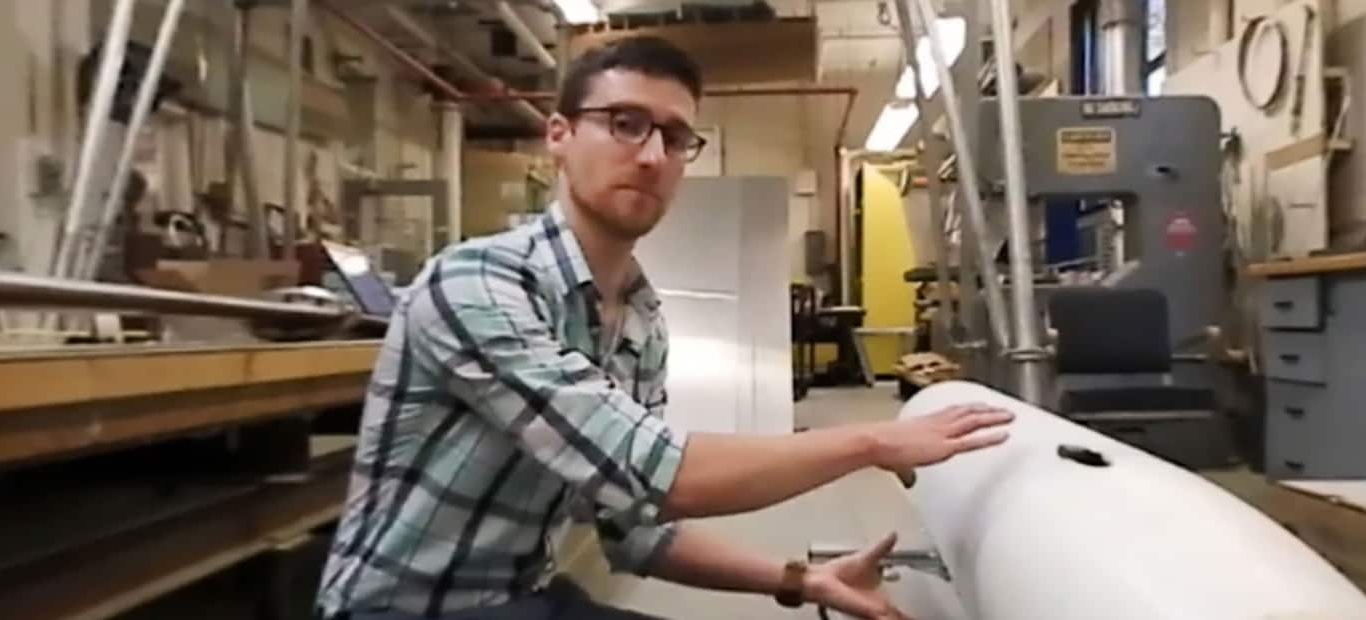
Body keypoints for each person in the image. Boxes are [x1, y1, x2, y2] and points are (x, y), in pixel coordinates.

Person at [316, 36, 1013, 620]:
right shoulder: (477, 284)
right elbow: (657, 475)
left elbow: (635, 533)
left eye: (675, 136)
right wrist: (871, 439)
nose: (652, 155)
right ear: (558, 137)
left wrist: (800, 581)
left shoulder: (641, 322)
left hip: (519, 599)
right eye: (624, 123)